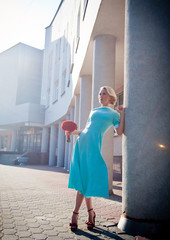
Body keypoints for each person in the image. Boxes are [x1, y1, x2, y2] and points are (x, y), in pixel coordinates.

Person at [65, 86, 125, 231]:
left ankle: (76, 214)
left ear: (110, 97)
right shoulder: (93, 111)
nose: (101, 96)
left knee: (85, 183)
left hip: (93, 148)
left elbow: (120, 131)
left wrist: (122, 114)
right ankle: (90, 214)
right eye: (99, 93)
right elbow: (86, 129)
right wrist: (72, 133)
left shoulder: (113, 114)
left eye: (104, 93)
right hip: (82, 144)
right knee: (84, 182)